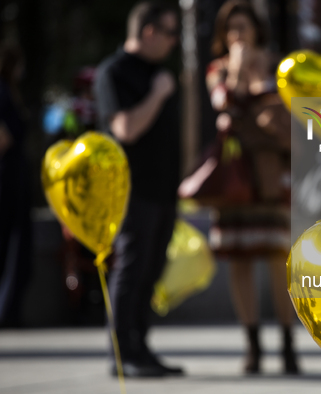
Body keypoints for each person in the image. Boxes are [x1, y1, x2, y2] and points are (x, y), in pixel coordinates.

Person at [178, 0, 298, 374]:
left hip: (270, 175)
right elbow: (223, 105)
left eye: (243, 28)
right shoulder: (217, 69)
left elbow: (286, 112)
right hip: (234, 176)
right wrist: (236, 68)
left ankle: (288, 343)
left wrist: (259, 76)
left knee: (280, 260)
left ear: (257, 29)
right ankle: (252, 344)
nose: (237, 36)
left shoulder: (279, 66)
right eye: (231, 30)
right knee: (240, 260)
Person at [94, 2, 182, 377]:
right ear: (148, 32)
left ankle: (141, 347)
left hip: (163, 189)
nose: (174, 42)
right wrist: (158, 94)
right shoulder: (114, 72)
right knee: (131, 267)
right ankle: (120, 351)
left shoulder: (158, 72)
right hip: (132, 189)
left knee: (152, 268)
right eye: (170, 33)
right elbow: (125, 129)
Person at [0, 43, 31, 328]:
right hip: (6, 178)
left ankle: (9, 310)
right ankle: (6, 310)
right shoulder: (2, 91)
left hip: (13, 176)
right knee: (10, 246)